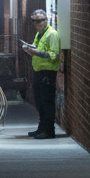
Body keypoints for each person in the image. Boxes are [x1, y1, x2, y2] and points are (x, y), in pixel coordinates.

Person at [23, 8, 60, 139]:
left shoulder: (52, 34)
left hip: (47, 73)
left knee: (47, 102)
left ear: (46, 20)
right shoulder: (40, 34)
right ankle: (41, 128)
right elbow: (36, 48)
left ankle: (49, 130)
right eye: (34, 21)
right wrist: (29, 49)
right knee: (39, 102)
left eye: (39, 20)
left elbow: (54, 55)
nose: (36, 23)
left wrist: (36, 52)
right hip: (38, 71)